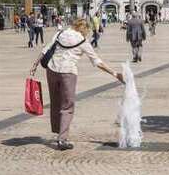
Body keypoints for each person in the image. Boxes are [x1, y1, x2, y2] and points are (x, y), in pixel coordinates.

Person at [29, 18, 124, 150]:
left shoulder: (60, 33)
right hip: (68, 73)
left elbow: (46, 50)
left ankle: (58, 130)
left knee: (55, 102)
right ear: (84, 29)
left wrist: (34, 65)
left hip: (52, 70)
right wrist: (115, 74)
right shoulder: (82, 41)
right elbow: (97, 62)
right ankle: (62, 139)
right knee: (67, 106)